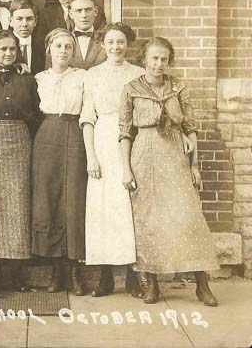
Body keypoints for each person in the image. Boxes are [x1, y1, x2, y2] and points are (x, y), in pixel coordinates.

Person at [119, 37, 220, 306]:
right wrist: (126, 168)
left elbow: (190, 128)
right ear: (144, 60)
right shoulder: (131, 89)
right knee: (148, 219)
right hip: (144, 154)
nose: (159, 64)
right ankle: (151, 284)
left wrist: (195, 166)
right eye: (154, 58)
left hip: (175, 154)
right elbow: (124, 132)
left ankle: (202, 284)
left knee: (188, 218)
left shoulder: (178, 87)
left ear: (169, 60)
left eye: (164, 59)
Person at [80, 23, 145, 298]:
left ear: (127, 44)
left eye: (120, 42)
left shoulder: (139, 74)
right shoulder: (92, 75)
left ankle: (133, 274)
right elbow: (87, 118)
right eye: (110, 42)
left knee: (132, 207)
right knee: (103, 209)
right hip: (103, 142)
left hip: (134, 141)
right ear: (102, 44)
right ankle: (104, 276)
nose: (116, 47)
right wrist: (91, 156)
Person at [0, 30, 41, 292]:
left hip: (20, 140)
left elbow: (37, 111)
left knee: (18, 204)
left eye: (12, 49)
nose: (7, 53)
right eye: (2, 49)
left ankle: (18, 273)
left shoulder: (27, 79)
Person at [31, 28, 87, 296]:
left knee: (74, 201)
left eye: (68, 46)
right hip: (47, 137)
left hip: (75, 134)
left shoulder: (84, 78)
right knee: (49, 200)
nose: (63, 51)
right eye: (58, 46)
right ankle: (55, 271)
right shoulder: (39, 79)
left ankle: (75, 272)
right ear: (49, 50)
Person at [69, 0, 106, 70]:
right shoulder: (62, 41)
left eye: (88, 10)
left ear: (95, 11)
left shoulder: (106, 41)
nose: (84, 15)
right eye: (79, 11)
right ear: (71, 14)